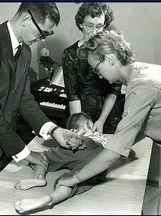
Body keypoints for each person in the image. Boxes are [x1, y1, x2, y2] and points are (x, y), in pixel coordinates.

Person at [57, 30, 161, 215]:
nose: (98, 75)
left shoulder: (141, 86)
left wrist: (75, 178)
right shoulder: (146, 71)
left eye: (97, 69)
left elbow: (114, 152)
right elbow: (141, 126)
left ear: (110, 59)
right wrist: (119, 143)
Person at [0, 3, 84, 192]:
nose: (42, 39)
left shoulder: (25, 51)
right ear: (27, 20)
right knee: (2, 200)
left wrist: (54, 130)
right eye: (42, 33)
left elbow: (24, 98)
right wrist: (26, 154)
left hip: (2, 141)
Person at [14, 112, 109, 214]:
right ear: (90, 125)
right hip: (101, 155)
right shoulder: (99, 136)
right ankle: (51, 198)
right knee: (72, 180)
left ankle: (39, 177)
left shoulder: (74, 134)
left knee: (41, 158)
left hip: (76, 142)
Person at [62, 3, 124, 134]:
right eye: (89, 25)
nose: (94, 31)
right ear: (80, 24)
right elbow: (73, 95)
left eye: (99, 26)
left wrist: (101, 121)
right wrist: (80, 126)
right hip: (79, 112)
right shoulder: (70, 54)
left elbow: (114, 90)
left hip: (108, 114)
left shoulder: (112, 50)